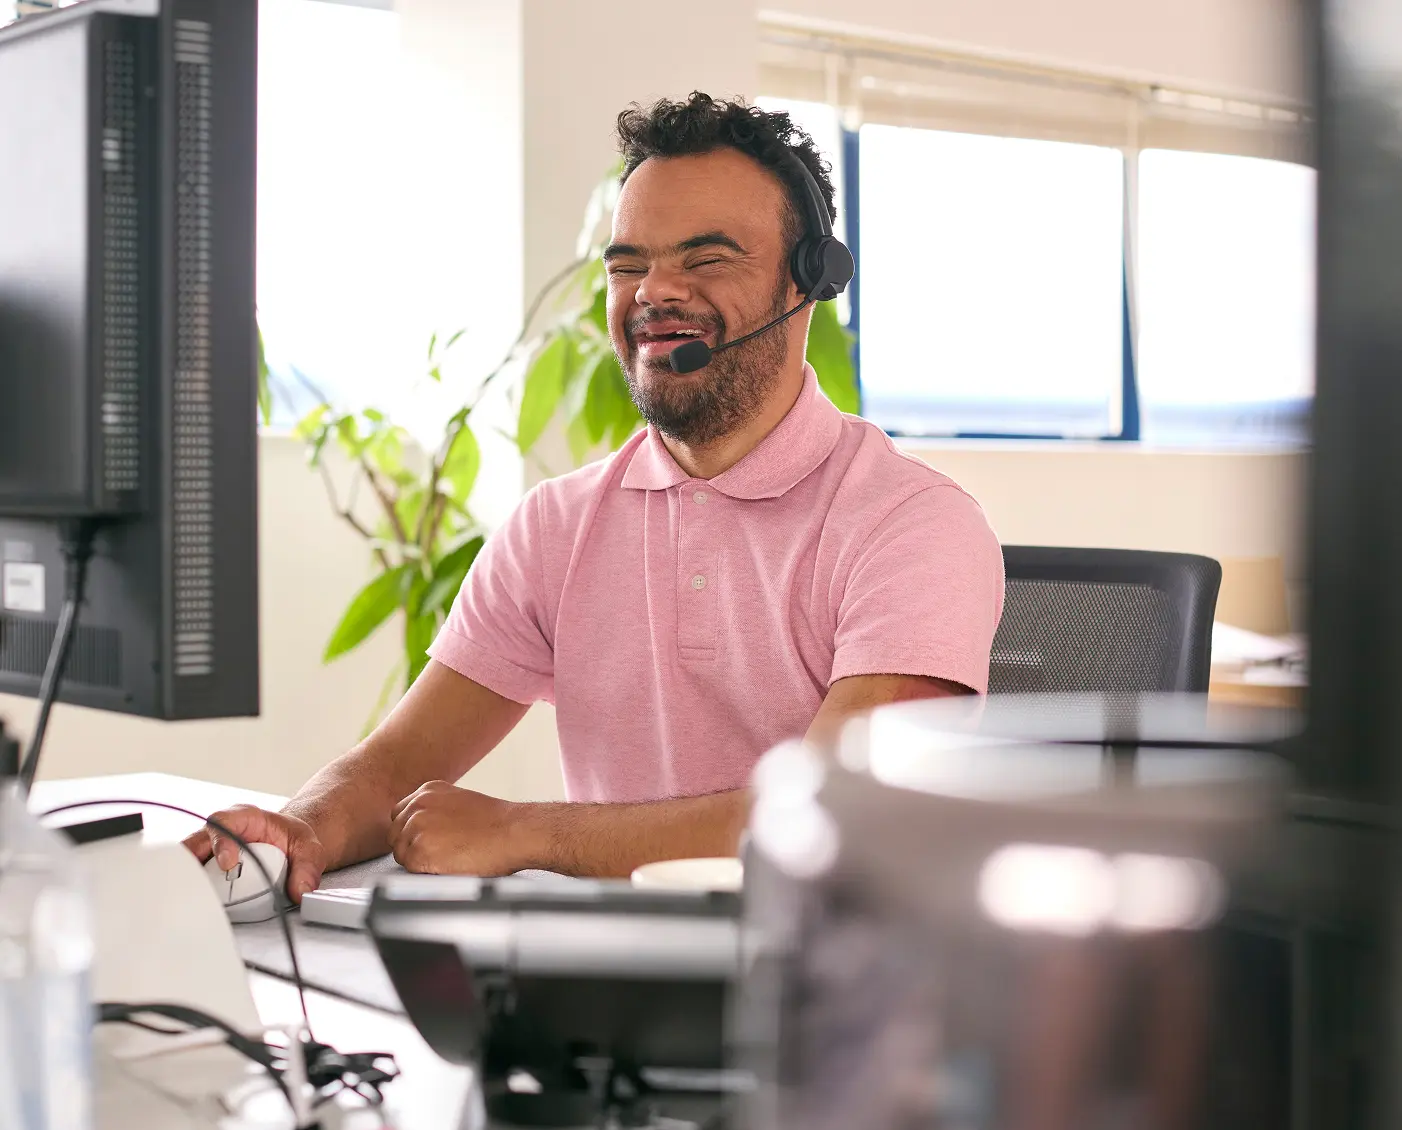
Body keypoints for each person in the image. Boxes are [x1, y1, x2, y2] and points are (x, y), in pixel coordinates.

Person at [186, 93, 1004, 894]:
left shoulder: (911, 524)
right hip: (611, 985)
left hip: (831, 995)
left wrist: (522, 833)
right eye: (629, 265)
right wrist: (298, 827)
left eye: (705, 260)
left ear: (808, 284)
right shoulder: (557, 524)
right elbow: (399, 763)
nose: (654, 292)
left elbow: (840, 819)